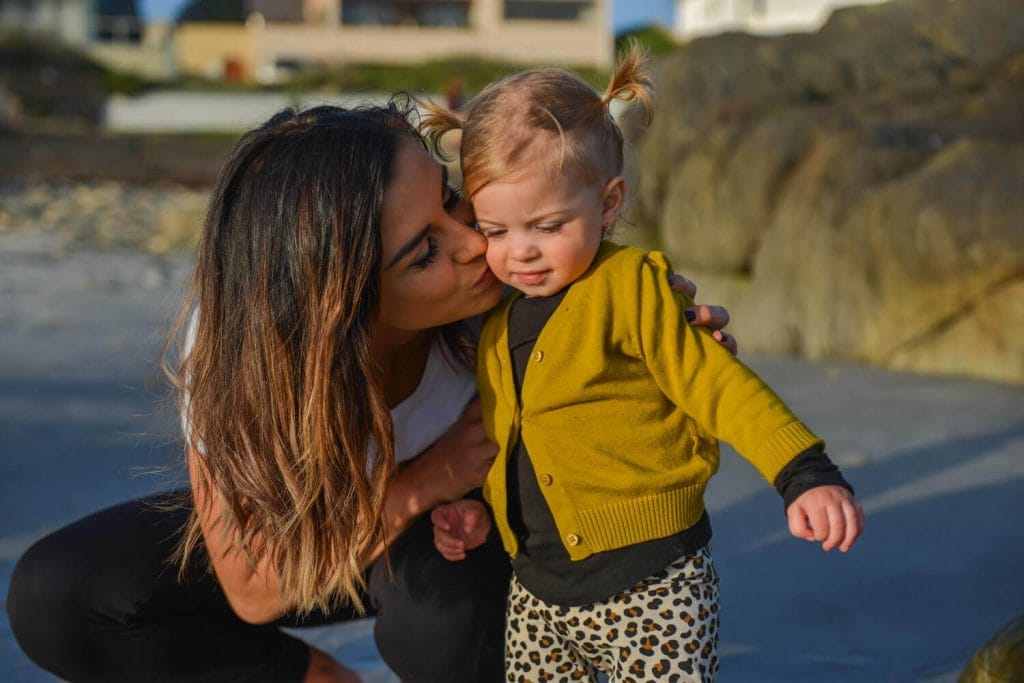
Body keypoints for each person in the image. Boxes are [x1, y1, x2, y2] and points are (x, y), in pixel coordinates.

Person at [7, 100, 738, 683]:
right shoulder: (240, 348)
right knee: (59, 595)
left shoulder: (512, 284)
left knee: (442, 621)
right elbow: (254, 589)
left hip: (468, 545)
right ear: (338, 304)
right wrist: (430, 475)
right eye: (424, 251)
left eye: (450, 202)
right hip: (315, 539)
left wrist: (677, 348)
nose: (472, 243)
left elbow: (628, 312)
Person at [427, 45, 866, 682]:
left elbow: (715, 384)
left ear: (607, 205)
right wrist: (478, 509)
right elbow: (510, 445)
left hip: (653, 583)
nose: (519, 252)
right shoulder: (497, 325)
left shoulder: (629, 285)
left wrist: (804, 472)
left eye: (547, 226)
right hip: (538, 593)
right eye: (495, 231)